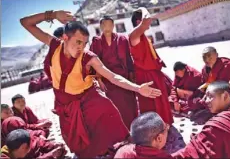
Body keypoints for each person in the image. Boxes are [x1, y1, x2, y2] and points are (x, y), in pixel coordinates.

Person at [20, 10, 161, 158]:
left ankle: (123, 147)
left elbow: (113, 77)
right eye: (78, 42)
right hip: (65, 102)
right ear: (65, 38)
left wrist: (137, 88)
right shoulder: (54, 45)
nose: (81, 47)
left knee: (108, 115)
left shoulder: (88, 57)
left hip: (88, 98)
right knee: (77, 141)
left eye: (85, 43)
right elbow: (25, 22)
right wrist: (53, 15)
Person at [90, 15, 138, 129]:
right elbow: (93, 62)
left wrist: (131, 75)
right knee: (116, 104)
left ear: (113, 25)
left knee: (130, 103)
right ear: (100, 26)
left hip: (124, 75)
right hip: (108, 78)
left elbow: (128, 57)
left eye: (109, 24)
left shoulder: (122, 39)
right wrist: (99, 80)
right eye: (104, 24)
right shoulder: (96, 42)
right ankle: (122, 130)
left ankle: (134, 126)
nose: (107, 26)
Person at [129, 7, 173, 125]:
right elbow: (146, 20)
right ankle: (155, 128)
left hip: (154, 73)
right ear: (139, 22)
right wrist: (143, 8)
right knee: (152, 103)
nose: (150, 23)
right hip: (145, 76)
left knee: (161, 101)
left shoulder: (144, 36)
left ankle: (164, 124)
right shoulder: (134, 35)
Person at [1, 129, 67, 159]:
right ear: (23, 147)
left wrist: (53, 145)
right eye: (29, 146)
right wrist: (50, 155)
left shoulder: (13, 147)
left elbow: (38, 143)